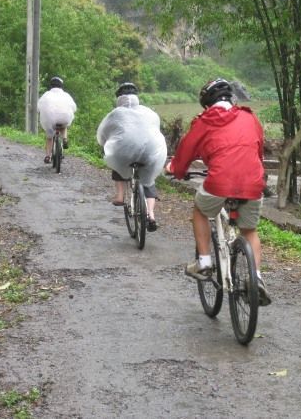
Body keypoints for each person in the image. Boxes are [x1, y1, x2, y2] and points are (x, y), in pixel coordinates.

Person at [165, 78, 270, 305]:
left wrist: (176, 170)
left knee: (200, 210)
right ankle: (257, 278)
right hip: (252, 181)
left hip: (219, 182)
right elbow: (259, 150)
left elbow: (185, 154)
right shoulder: (249, 117)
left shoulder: (204, 121)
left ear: (207, 103)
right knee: (249, 230)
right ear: (231, 98)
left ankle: (204, 262)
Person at [97, 82, 167, 232]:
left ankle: (120, 196)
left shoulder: (115, 114)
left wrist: (105, 146)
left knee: (116, 157)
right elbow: (155, 130)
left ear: (119, 98)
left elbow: (102, 135)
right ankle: (151, 215)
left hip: (124, 152)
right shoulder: (148, 112)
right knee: (148, 179)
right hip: (151, 150)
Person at [37, 76, 77, 164]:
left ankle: (48, 156)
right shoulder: (66, 95)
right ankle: (65, 139)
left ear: (51, 86)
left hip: (50, 119)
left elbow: (39, 106)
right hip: (64, 118)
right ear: (61, 86)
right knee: (64, 126)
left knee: (49, 137)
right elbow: (74, 107)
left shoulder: (46, 94)